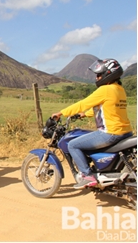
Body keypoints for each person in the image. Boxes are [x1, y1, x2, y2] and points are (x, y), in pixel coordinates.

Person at [51, 59, 133, 188]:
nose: (97, 77)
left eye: (99, 74)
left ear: (108, 74)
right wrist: (85, 114)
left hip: (110, 133)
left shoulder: (105, 89)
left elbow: (83, 103)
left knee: (73, 145)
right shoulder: (119, 89)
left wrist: (61, 113)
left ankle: (87, 175)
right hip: (126, 132)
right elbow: (107, 108)